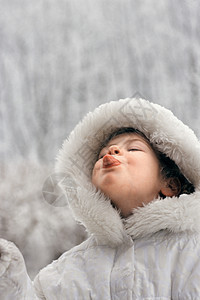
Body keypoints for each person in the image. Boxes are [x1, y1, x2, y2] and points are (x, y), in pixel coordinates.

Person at [0, 97, 200, 299]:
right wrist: (7, 275)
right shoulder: (65, 272)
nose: (112, 151)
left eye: (133, 148)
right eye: (101, 154)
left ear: (170, 185)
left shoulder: (192, 253)